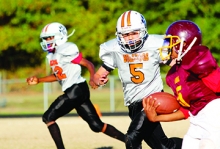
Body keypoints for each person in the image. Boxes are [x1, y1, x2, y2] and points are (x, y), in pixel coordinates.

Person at [26, 22, 125, 149]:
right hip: (78, 90)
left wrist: (93, 77)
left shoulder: (66, 49)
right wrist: (39, 80)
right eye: (45, 38)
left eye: (50, 37)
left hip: (76, 89)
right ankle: (130, 140)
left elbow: (88, 64)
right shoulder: (51, 55)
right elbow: (58, 75)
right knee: (97, 126)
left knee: (48, 117)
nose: (47, 41)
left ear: (60, 36)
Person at [93, 10, 182, 149]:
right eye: (126, 34)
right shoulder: (114, 49)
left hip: (152, 100)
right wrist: (98, 79)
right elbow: (100, 73)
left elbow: (176, 63)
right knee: (164, 146)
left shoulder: (156, 43)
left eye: (134, 33)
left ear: (143, 31)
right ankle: (194, 144)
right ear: (119, 35)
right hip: (133, 103)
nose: (130, 38)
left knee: (132, 139)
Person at [144, 20, 220, 149]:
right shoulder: (173, 74)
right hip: (196, 121)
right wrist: (156, 118)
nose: (167, 46)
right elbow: (186, 111)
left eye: (171, 42)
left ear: (184, 44)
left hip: (215, 115)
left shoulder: (197, 58)